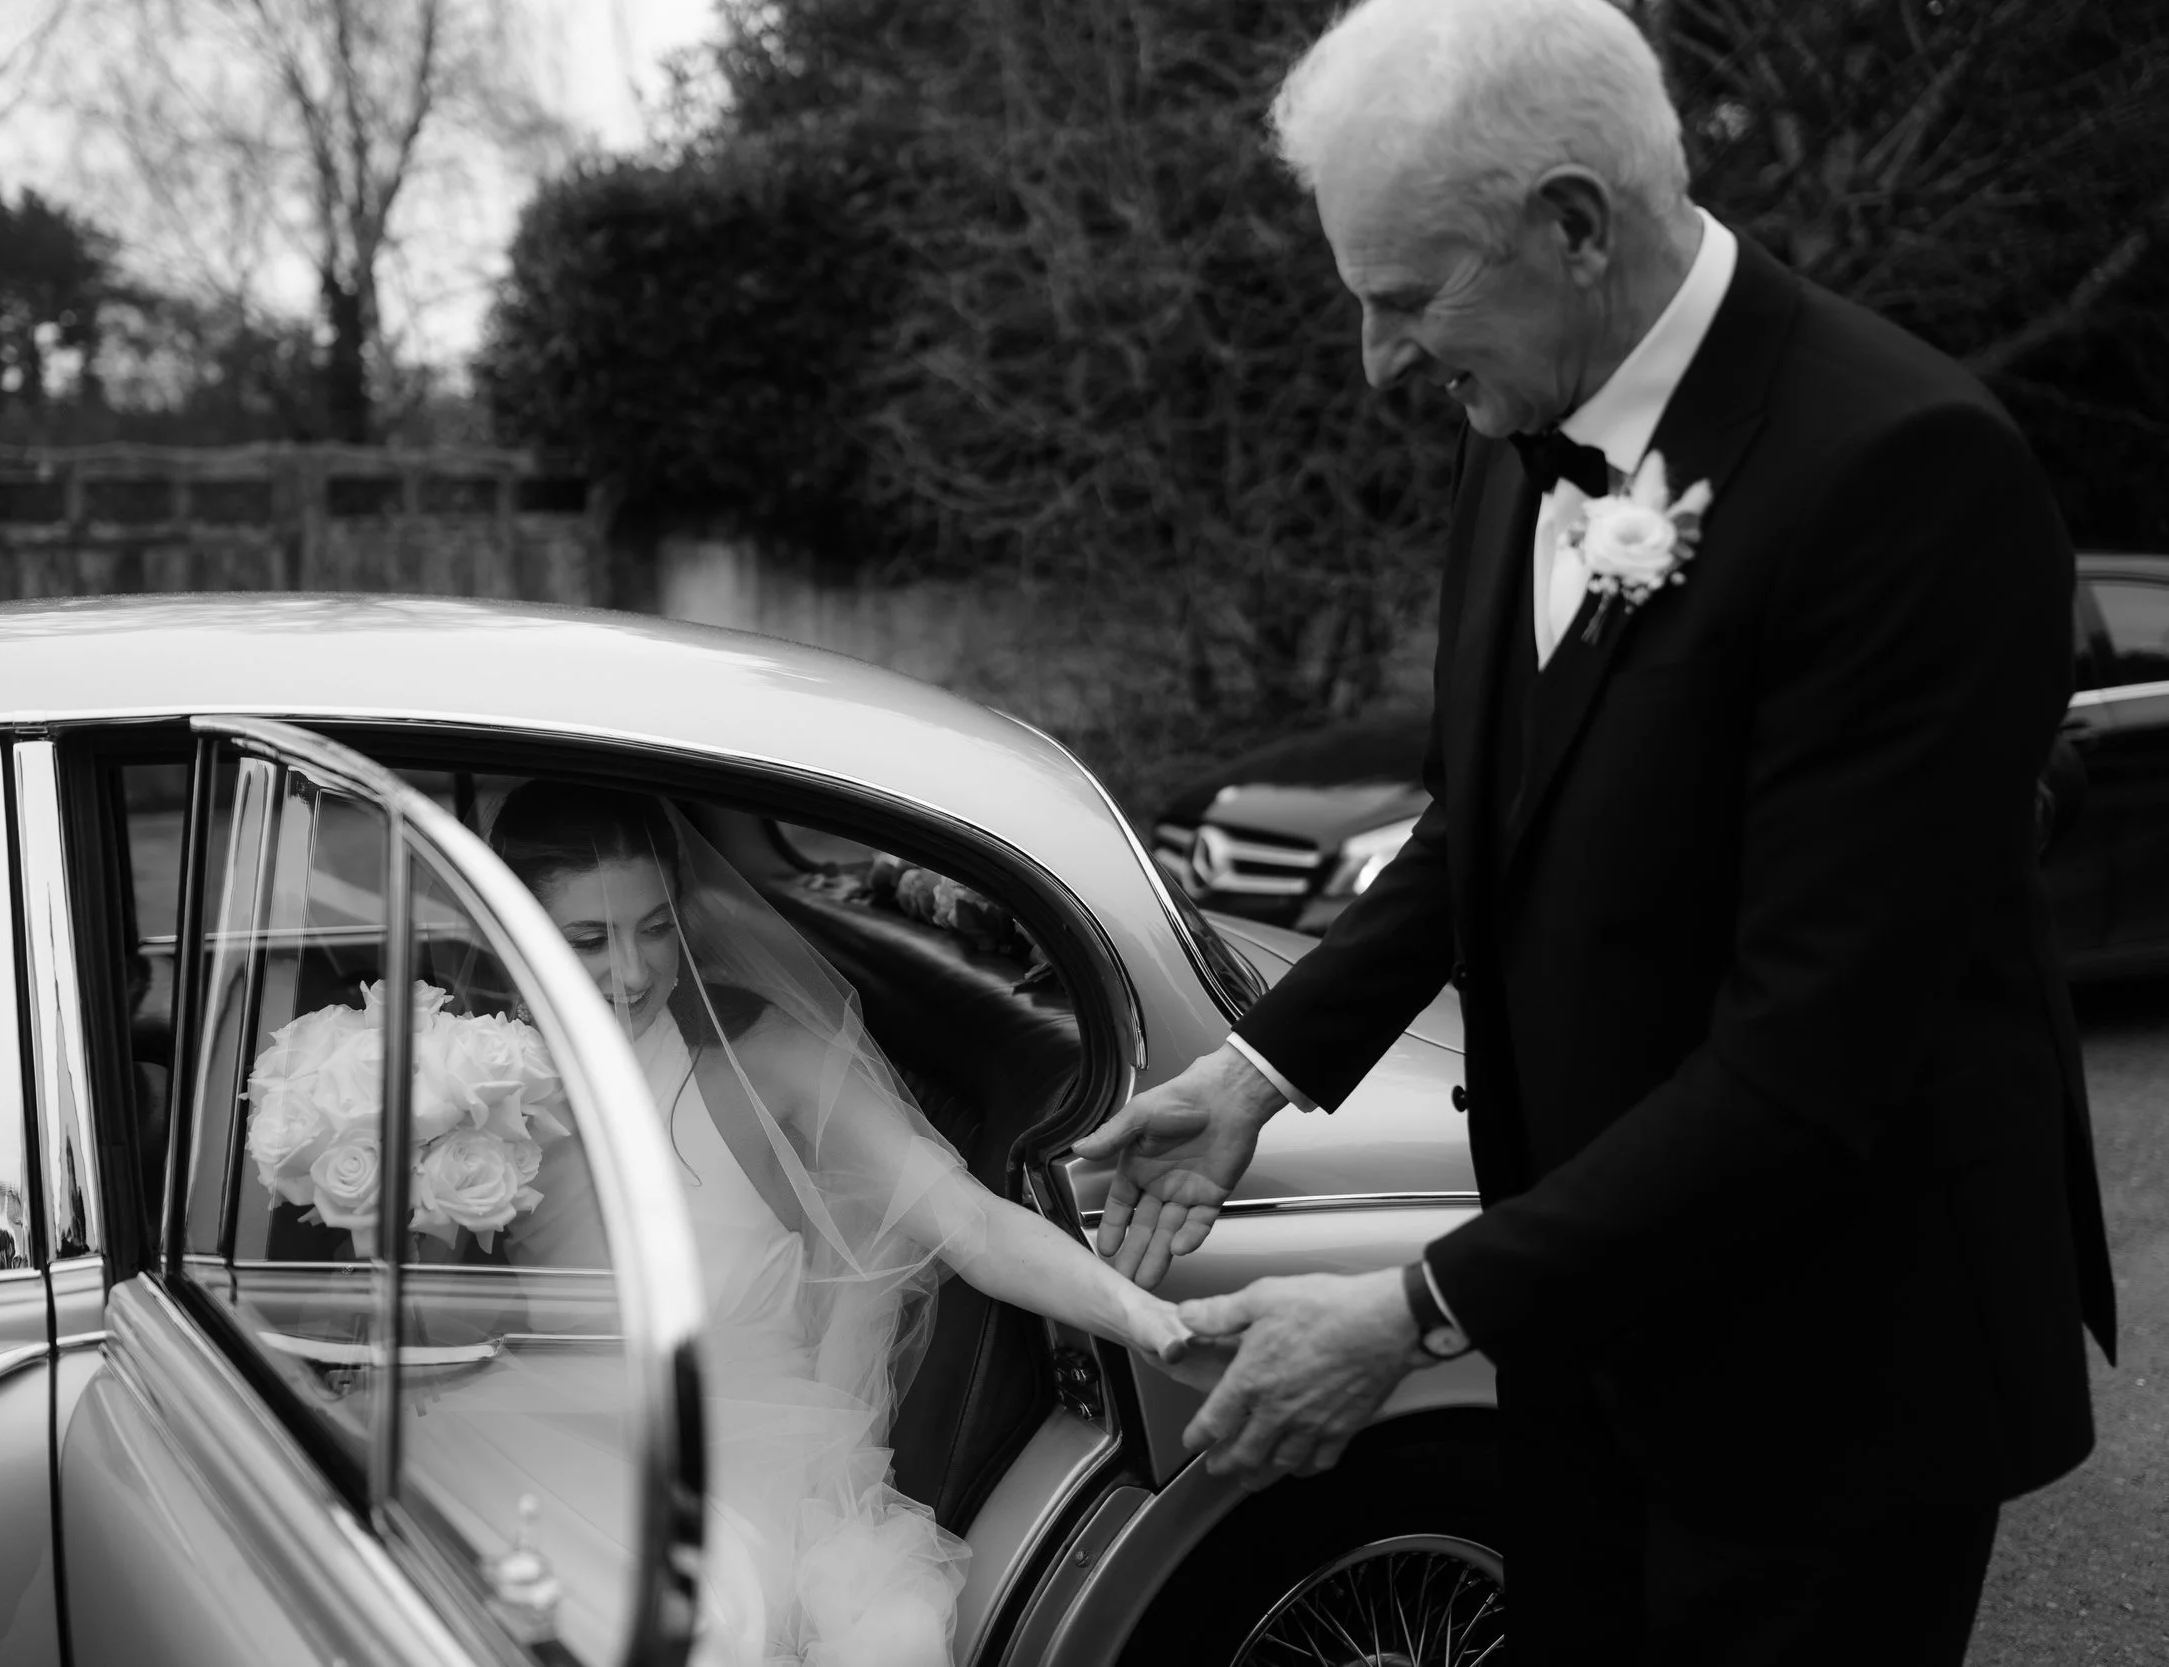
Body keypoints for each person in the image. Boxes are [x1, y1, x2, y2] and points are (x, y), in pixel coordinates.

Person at [1072, 1, 2115, 1661]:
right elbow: (1485, 825)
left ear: (1574, 223)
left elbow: (1811, 1058)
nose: (1378, 361)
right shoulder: (1521, 419)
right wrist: (1258, 1073)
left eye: (1407, 297)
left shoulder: (1910, 472)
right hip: (1586, 1336)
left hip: (1835, 1384)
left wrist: (1414, 1310)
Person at [436, 781, 1204, 1667]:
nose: (635, 972)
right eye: (588, 939)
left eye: (654, 927)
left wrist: (1150, 1319)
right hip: (537, 1419)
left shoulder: (763, 1064)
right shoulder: (478, 1077)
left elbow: (975, 1227)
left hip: (730, 1460)